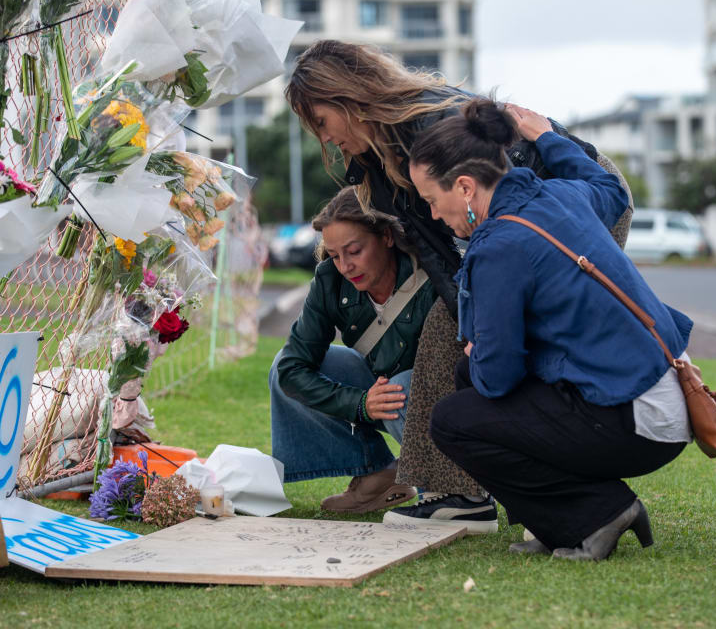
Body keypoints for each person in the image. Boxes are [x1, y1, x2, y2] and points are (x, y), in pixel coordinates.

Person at [286, 39, 635, 528]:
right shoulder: (375, 161)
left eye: (321, 122)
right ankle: (462, 495)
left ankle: (563, 488)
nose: (322, 139)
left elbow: (524, 198)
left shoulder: (434, 123)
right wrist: (470, 318)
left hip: (579, 196)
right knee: (447, 336)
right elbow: (433, 246)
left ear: (347, 96)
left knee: (520, 342)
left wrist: (487, 312)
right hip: (514, 227)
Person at [406, 98, 693, 560]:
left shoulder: (498, 247)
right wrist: (546, 137)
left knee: (453, 419)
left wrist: (482, 348)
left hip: (635, 422)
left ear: (463, 188)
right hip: (667, 400)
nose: (434, 216)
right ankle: (555, 521)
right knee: (466, 383)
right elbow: (610, 187)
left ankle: (600, 513)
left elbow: (498, 377)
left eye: (431, 201)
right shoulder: (559, 195)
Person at [269, 187, 433, 515]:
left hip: (441, 391)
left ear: (386, 236)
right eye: (333, 255)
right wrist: (360, 405)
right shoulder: (329, 279)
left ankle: (449, 491)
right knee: (280, 369)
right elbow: (293, 369)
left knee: (401, 388)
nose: (344, 265)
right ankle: (379, 474)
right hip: (385, 389)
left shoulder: (429, 266)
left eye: (354, 250)